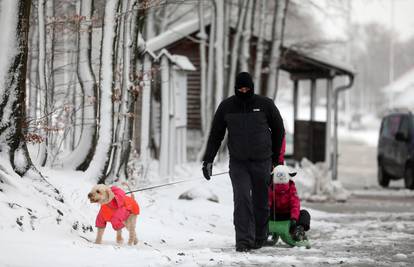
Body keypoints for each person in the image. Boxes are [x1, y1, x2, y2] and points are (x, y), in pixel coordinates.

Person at [202, 72, 285, 252]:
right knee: (241, 199)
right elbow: (216, 135)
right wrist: (208, 159)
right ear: (236, 88)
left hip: (262, 161)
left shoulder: (265, 105)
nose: (244, 91)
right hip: (239, 162)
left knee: (260, 201)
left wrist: (276, 159)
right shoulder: (227, 107)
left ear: (252, 88)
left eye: (247, 88)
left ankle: (259, 236)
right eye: (241, 88)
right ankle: (243, 241)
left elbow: (279, 130)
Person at [268, 165, 311, 241]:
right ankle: (298, 229)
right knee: (304, 213)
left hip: (280, 217)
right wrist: (294, 218)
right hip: (283, 217)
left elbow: (268, 203)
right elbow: (295, 204)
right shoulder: (274, 189)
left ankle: (298, 230)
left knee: (304, 213)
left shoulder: (273, 188)